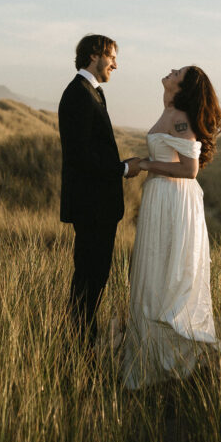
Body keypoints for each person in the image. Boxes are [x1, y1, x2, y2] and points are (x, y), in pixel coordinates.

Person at [122, 65, 221, 389]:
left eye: (177, 72)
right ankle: (150, 362)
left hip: (173, 201)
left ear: (182, 86)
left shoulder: (180, 115)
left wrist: (143, 164)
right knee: (151, 274)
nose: (170, 70)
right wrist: (145, 163)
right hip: (160, 197)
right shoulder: (169, 111)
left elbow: (190, 168)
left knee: (166, 278)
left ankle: (179, 363)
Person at [59, 34, 141, 350]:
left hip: (98, 208)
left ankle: (83, 343)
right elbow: (81, 157)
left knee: (94, 280)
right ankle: (81, 349)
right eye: (112, 58)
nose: (116, 65)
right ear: (95, 55)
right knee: (88, 282)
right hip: (91, 208)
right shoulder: (79, 95)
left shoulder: (89, 93)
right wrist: (122, 169)